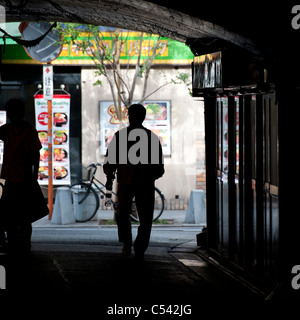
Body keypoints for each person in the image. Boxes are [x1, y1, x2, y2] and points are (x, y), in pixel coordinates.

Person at [103, 103, 164, 261]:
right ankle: (139, 248)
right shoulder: (151, 138)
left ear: (129, 116)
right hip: (145, 184)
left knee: (122, 214)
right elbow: (159, 168)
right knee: (145, 217)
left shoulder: (121, 136)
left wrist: (109, 177)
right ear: (144, 117)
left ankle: (127, 243)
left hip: (125, 182)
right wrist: (149, 176)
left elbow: (111, 162)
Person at [0, 98, 42, 255]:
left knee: (21, 215)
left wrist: (35, 174)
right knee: (14, 215)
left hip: (22, 178)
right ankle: (17, 243)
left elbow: (36, 154)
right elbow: (36, 153)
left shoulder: (27, 131)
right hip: (13, 178)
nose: (12, 115)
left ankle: (22, 243)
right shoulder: (8, 130)